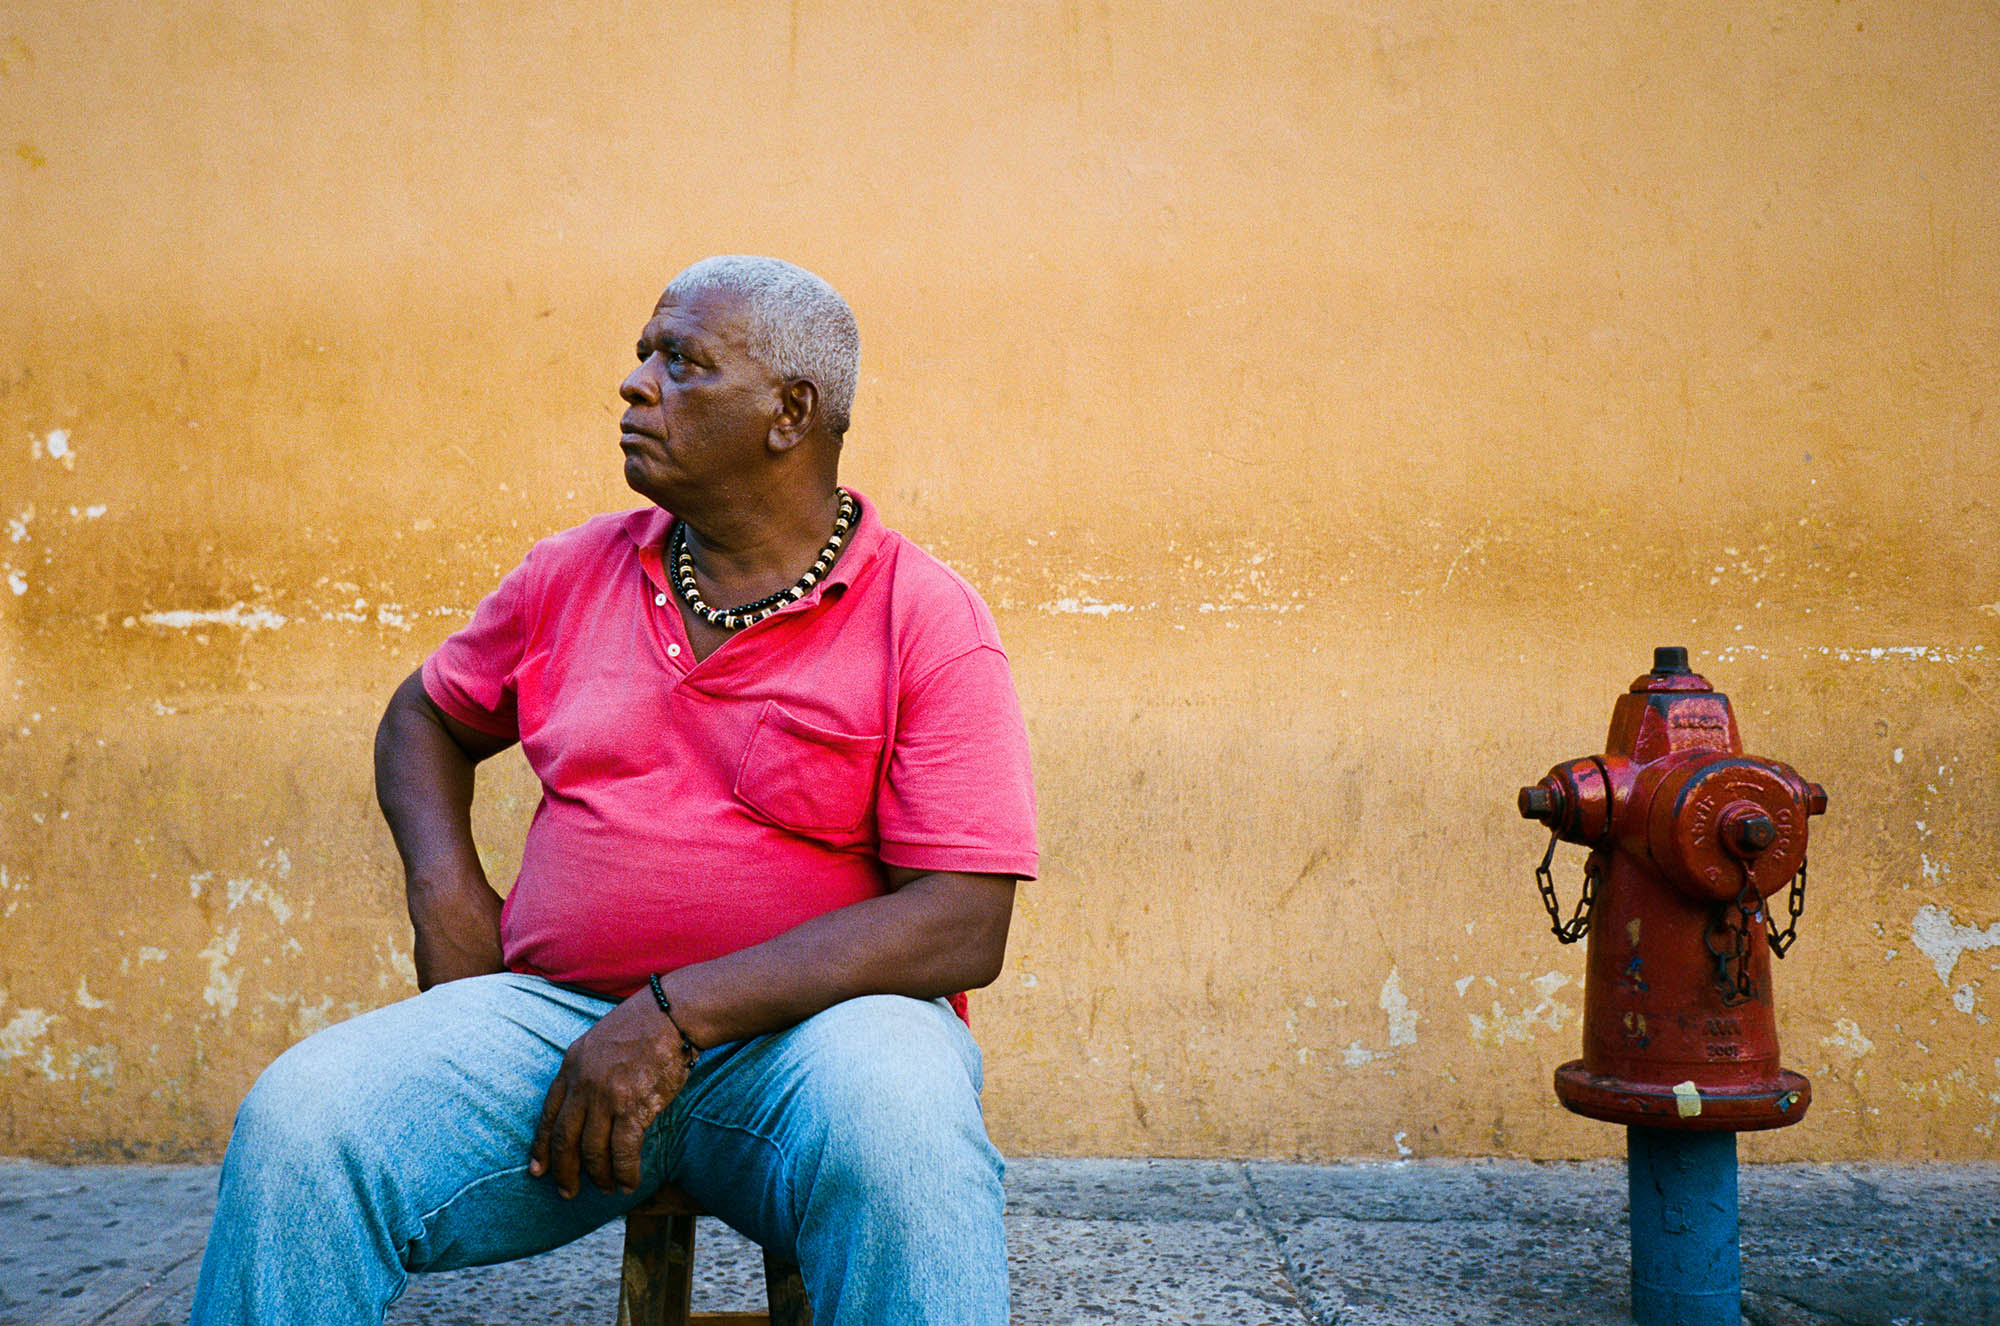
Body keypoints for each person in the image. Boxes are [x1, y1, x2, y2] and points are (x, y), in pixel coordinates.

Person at [188, 255, 1038, 1325]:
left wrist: (674, 1018)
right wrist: (447, 896)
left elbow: (963, 921)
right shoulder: (569, 572)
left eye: (681, 363)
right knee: (303, 1121)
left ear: (790, 413)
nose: (636, 385)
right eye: (643, 356)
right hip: (552, 1025)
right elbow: (426, 716)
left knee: (909, 1128)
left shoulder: (925, 617)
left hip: (818, 1047)